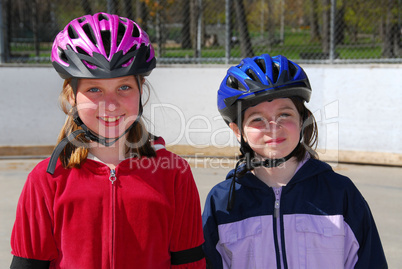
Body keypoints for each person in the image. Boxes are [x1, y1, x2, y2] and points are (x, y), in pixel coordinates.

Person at [10, 12, 205, 269]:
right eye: (94, 89)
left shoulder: (174, 174)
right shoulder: (47, 179)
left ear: (141, 90)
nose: (111, 105)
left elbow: (190, 264)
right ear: (71, 96)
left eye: (124, 87)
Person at [202, 53, 387, 268]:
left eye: (285, 115)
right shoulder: (222, 201)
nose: (273, 127)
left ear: (302, 120)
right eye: (257, 119)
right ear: (238, 131)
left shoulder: (340, 193)